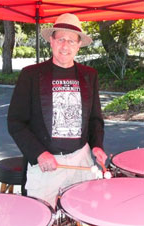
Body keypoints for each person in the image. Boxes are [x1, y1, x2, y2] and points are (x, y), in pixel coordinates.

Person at [7, 13, 107, 208]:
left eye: (71, 41)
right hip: (47, 166)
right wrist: (38, 153)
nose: (65, 45)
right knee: (43, 216)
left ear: (79, 45)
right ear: (51, 41)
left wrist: (97, 145)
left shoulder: (89, 75)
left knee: (82, 212)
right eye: (60, 39)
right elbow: (16, 121)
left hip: (80, 161)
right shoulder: (31, 75)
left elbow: (95, 119)